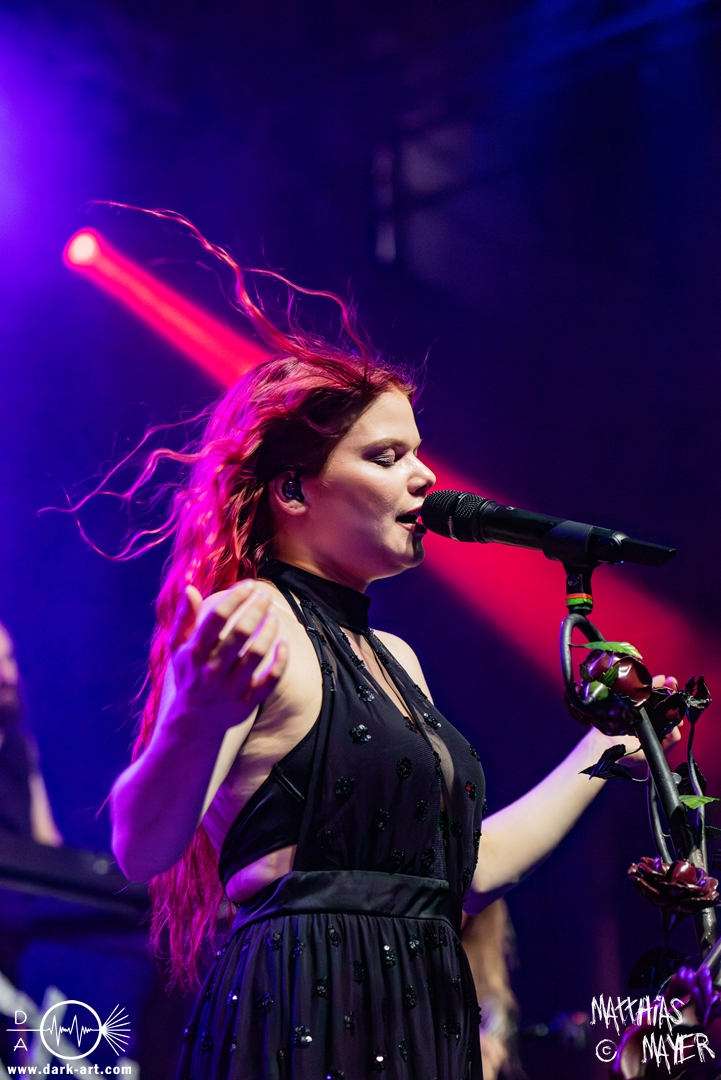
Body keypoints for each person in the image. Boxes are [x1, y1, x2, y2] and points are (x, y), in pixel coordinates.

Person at [108, 224, 678, 1080]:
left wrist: (606, 750)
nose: (424, 477)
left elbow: (464, 872)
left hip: (418, 1007)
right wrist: (192, 717)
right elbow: (141, 847)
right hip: (305, 1005)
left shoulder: (397, 657)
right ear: (293, 488)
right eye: (386, 456)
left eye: (416, 452)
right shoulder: (253, 617)